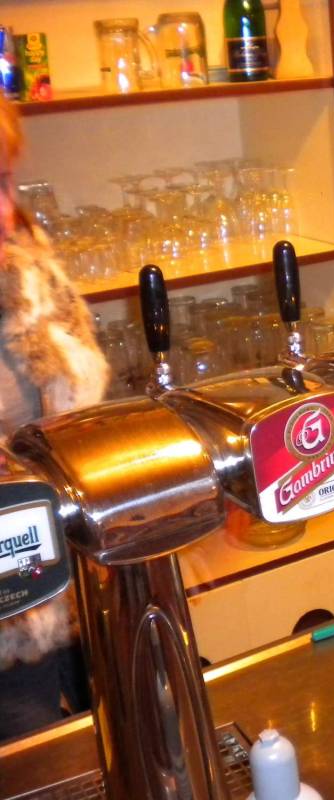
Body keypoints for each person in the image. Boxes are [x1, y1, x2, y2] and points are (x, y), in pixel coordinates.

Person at [0, 96, 109, 741]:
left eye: (5, 180)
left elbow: (76, 413)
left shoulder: (27, 269)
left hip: (64, 591)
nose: (5, 211)